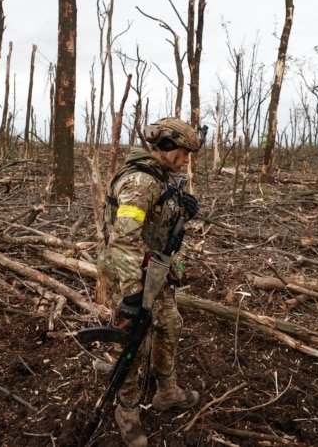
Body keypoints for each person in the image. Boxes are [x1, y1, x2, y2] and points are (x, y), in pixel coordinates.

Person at [96, 117, 204, 446]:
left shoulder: (162, 178)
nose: (186, 160)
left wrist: (183, 210)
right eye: (183, 152)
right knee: (132, 343)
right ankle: (127, 411)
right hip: (131, 273)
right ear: (166, 147)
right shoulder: (140, 183)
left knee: (170, 325)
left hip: (155, 270)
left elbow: (157, 223)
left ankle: (167, 392)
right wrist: (131, 293)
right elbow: (124, 241)